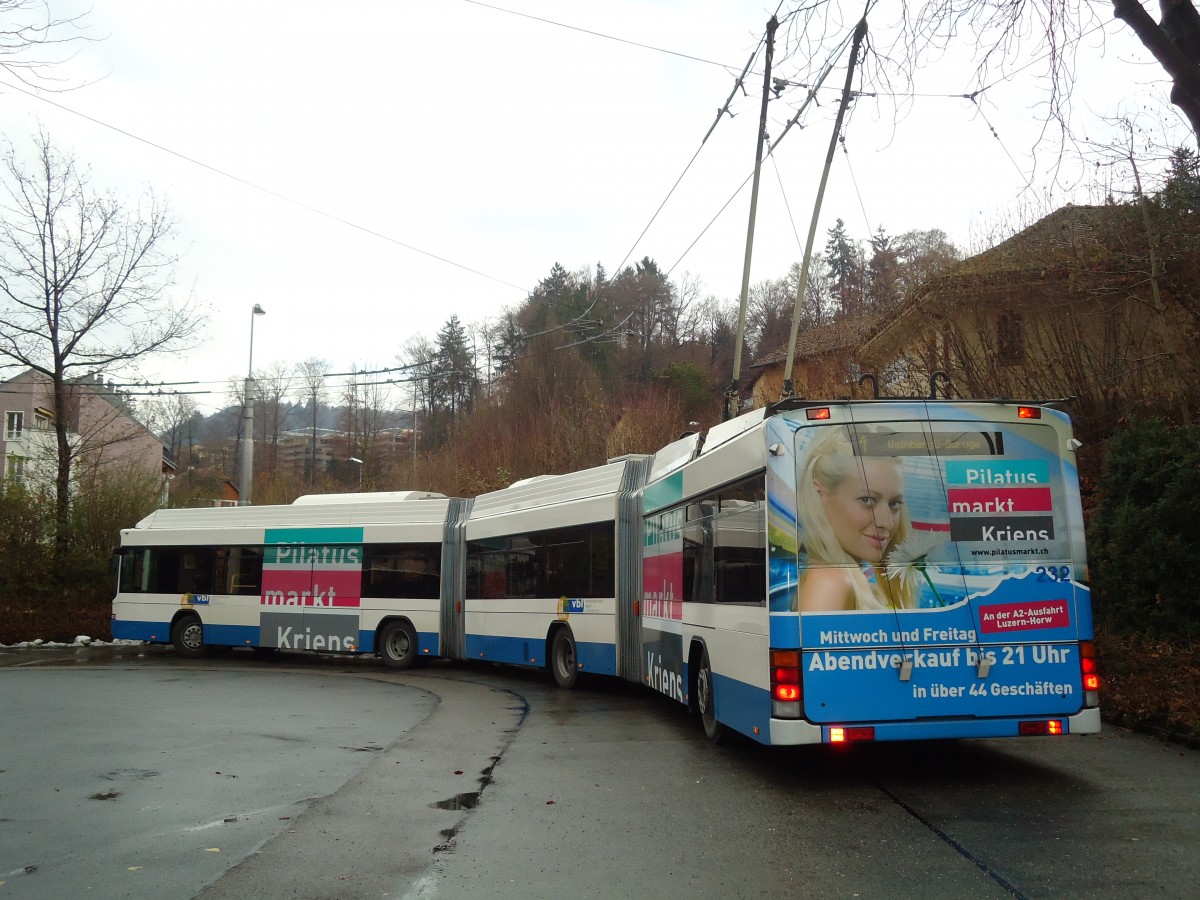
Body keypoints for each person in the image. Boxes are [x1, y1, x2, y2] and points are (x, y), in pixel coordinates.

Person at [794, 425, 916, 611]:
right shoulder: (831, 583)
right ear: (820, 494)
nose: (887, 523)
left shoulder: (844, 578)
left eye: (894, 504)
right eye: (867, 500)